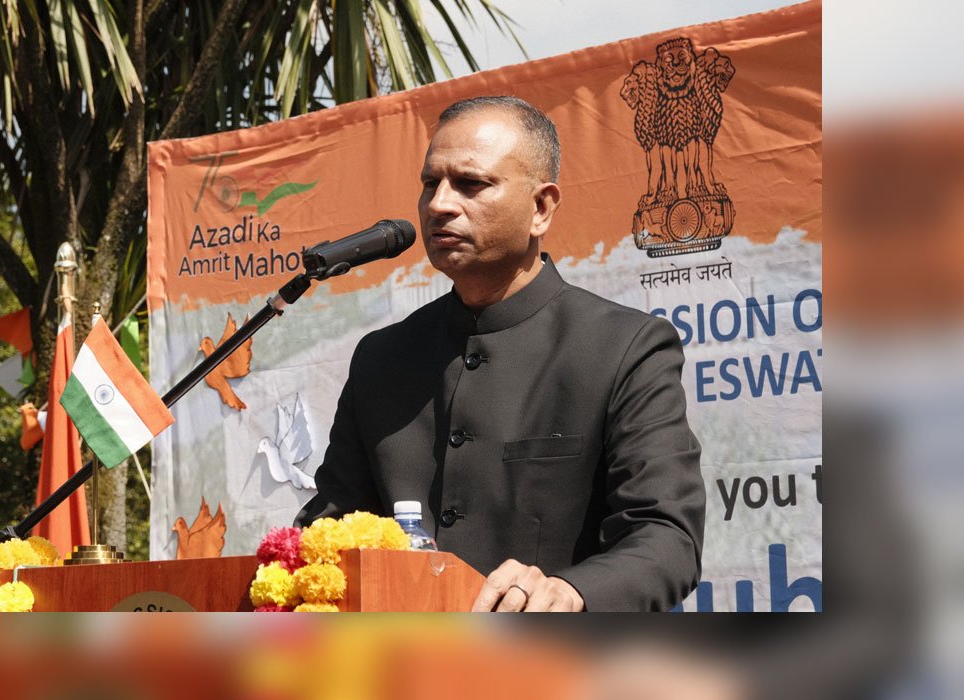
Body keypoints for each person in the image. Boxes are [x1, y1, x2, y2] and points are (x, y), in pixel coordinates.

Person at [293, 96, 705, 612]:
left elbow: (667, 537)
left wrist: (573, 591)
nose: (439, 203)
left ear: (541, 208)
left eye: (471, 184)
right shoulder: (382, 359)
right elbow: (328, 527)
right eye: (430, 183)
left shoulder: (624, 347)